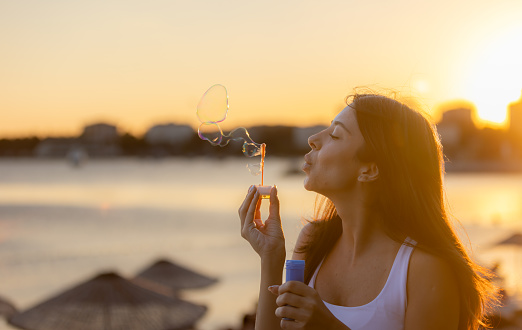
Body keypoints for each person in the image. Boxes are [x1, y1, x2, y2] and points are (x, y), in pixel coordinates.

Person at [238, 92, 499, 330]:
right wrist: (271, 258)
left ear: (369, 169)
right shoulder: (313, 242)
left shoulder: (425, 270)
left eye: (335, 135)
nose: (313, 139)